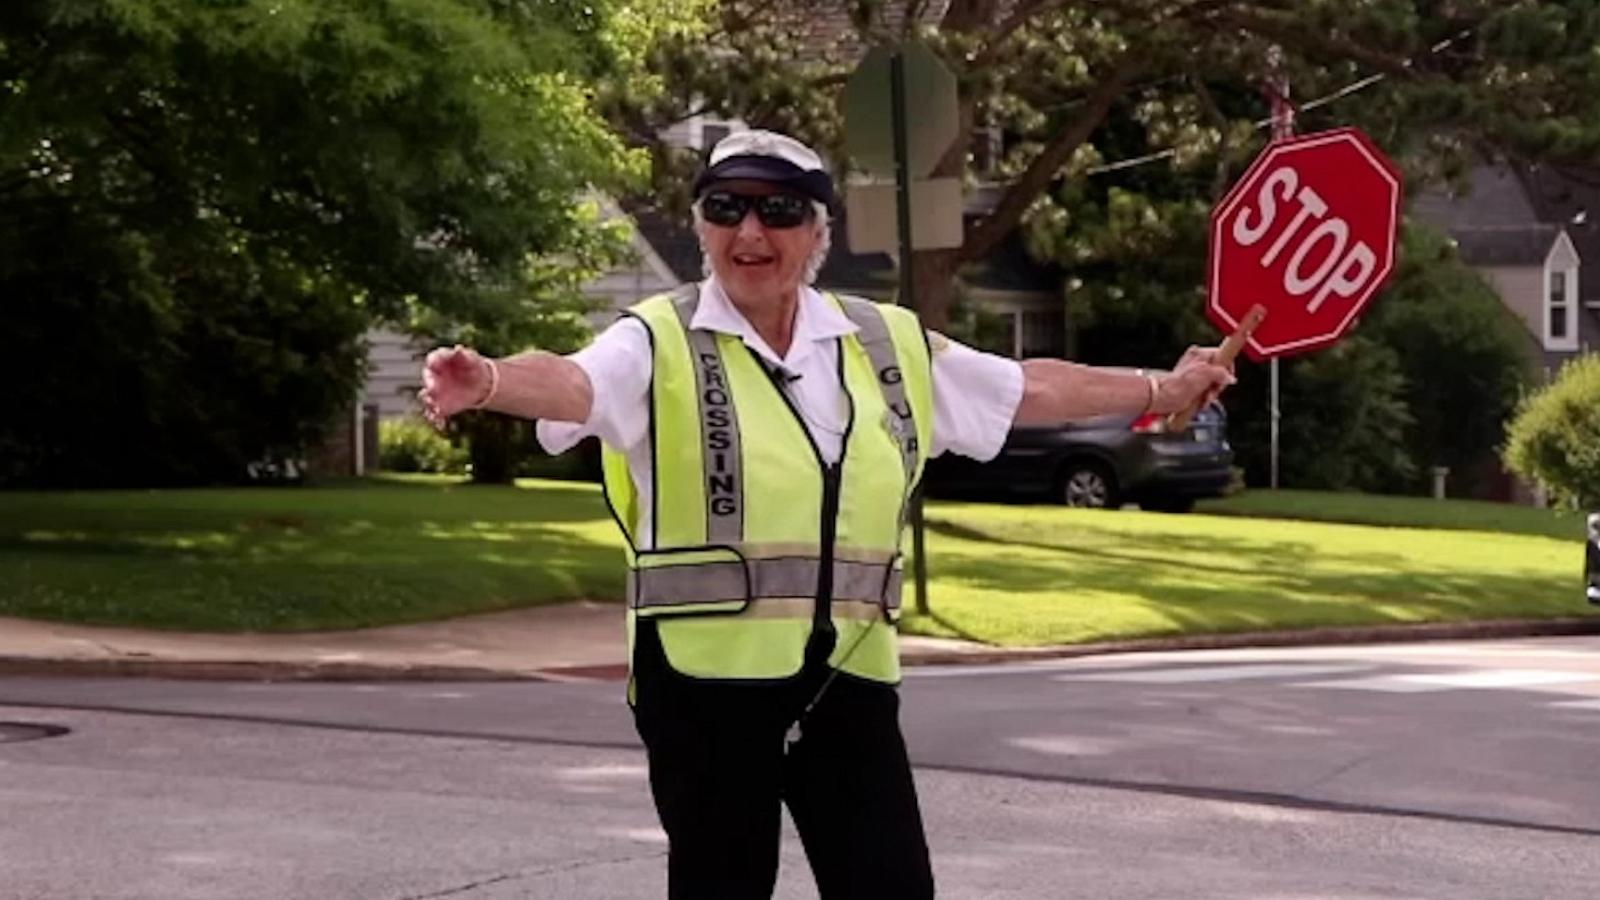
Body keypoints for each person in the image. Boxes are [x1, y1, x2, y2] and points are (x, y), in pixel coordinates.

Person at [419, 128, 1235, 900]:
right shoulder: (657, 339)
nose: (750, 230)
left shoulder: (882, 342)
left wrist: (1162, 387)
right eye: (725, 207)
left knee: (889, 889)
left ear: (818, 234)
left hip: (847, 679)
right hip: (703, 685)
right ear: (701, 227)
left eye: (779, 210)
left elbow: (1029, 388)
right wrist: (489, 379)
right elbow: (574, 384)